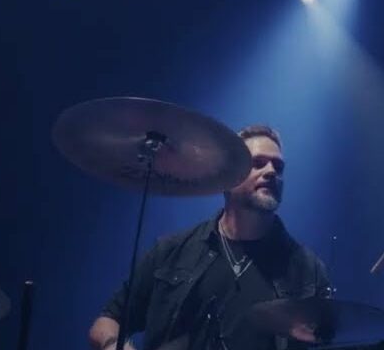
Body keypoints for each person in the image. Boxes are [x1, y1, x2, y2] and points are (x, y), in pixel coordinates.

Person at [88, 125, 330, 350]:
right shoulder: (171, 251)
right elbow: (107, 322)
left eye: (278, 167)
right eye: (258, 163)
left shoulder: (307, 269)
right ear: (227, 179)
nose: (271, 172)